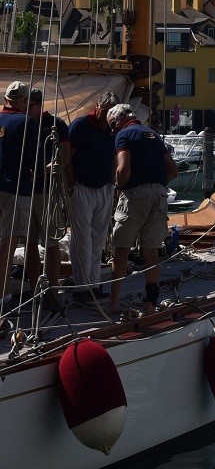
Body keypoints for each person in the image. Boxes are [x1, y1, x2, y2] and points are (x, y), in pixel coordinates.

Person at [107, 103, 178, 315]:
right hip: (159, 194)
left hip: (135, 196)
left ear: (120, 119)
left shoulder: (124, 135)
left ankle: (113, 303)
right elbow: (173, 170)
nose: (112, 130)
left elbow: (123, 169)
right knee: (151, 253)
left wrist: (120, 187)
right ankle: (150, 305)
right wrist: (156, 185)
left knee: (120, 250)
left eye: (112, 125)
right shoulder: (153, 135)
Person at [66, 91, 119, 303]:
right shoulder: (80, 126)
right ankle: (82, 288)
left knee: (98, 240)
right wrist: (71, 187)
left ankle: (94, 285)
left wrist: (112, 185)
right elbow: (66, 157)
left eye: (110, 114)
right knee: (82, 240)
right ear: (98, 107)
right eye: (104, 112)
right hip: (82, 188)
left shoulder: (112, 131)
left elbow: (115, 158)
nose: (105, 117)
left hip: (104, 188)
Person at [26, 89, 70, 312]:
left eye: (30, 104)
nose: (27, 107)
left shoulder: (55, 125)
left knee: (51, 242)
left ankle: (52, 292)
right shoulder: (21, 125)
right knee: (30, 243)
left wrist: (43, 170)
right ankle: (36, 292)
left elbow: (64, 156)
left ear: (38, 104)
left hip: (46, 192)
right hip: (25, 192)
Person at [0, 81, 36, 309]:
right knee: (8, 244)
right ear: (24, 101)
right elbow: (34, 159)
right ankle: (2, 296)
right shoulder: (26, 123)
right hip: (15, 189)